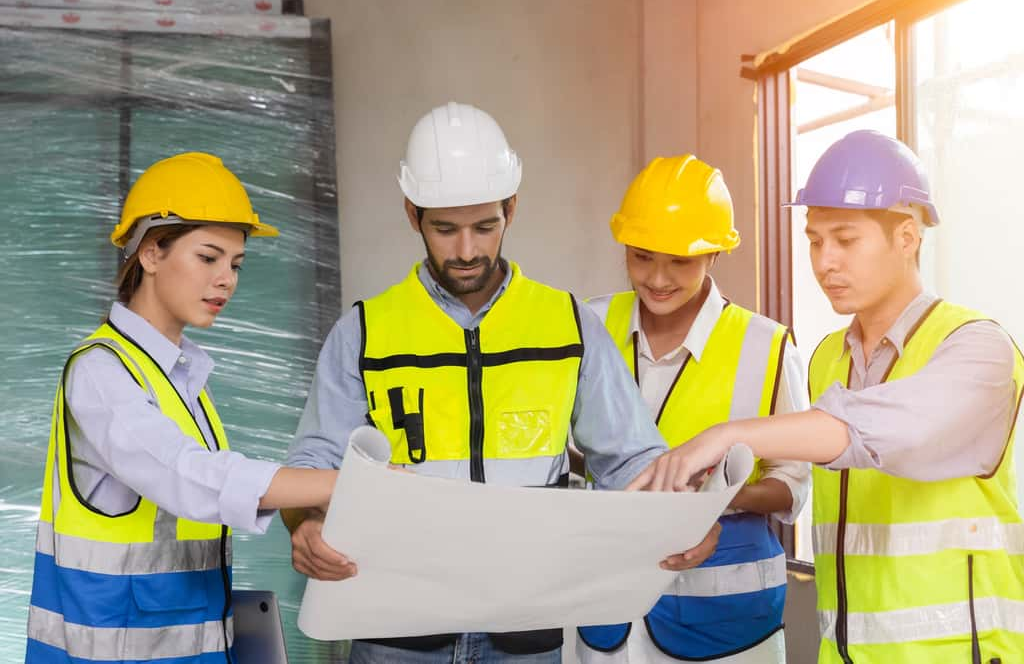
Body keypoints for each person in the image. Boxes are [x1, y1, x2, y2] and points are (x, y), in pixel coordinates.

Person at [283, 102, 719, 663]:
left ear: (511, 209)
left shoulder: (569, 325)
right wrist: (308, 524)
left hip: (525, 632)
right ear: (412, 214)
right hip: (396, 629)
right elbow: (312, 462)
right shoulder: (364, 332)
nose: (466, 250)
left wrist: (681, 522)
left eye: (485, 226)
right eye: (445, 228)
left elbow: (631, 458)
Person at [630, 131, 1024, 663]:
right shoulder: (826, 360)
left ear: (907, 236)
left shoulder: (978, 348)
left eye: (845, 239)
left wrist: (726, 434)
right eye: (815, 241)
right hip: (845, 653)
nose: (823, 262)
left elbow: (882, 430)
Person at [25, 152, 339, 664]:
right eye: (208, 257)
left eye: (236, 264)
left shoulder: (182, 378)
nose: (227, 280)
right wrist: (339, 482)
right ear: (150, 254)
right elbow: (191, 477)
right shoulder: (101, 372)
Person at [576, 155, 809, 663]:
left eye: (679, 261)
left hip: (726, 626)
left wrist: (713, 500)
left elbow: (792, 486)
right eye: (641, 257)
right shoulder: (591, 324)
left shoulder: (765, 345)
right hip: (607, 614)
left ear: (716, 255)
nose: (657, 278)